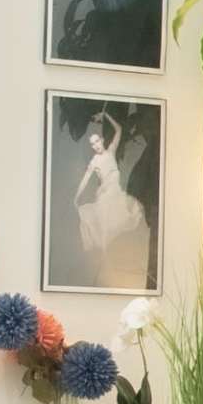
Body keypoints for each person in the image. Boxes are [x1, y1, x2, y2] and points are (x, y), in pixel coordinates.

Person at [70, 109, 151, 291]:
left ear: (102, 141)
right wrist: (76, 197)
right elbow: (85, 179)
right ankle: (102, 271)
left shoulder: (111, 152)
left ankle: (109, 272)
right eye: (93, 144)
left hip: (117, 195)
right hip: (105, 196)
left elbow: (119, 130)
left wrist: (106, 114)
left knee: (124, 222)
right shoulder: (95, 162)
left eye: (97, 141)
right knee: (105, 228)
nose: (96, 145)